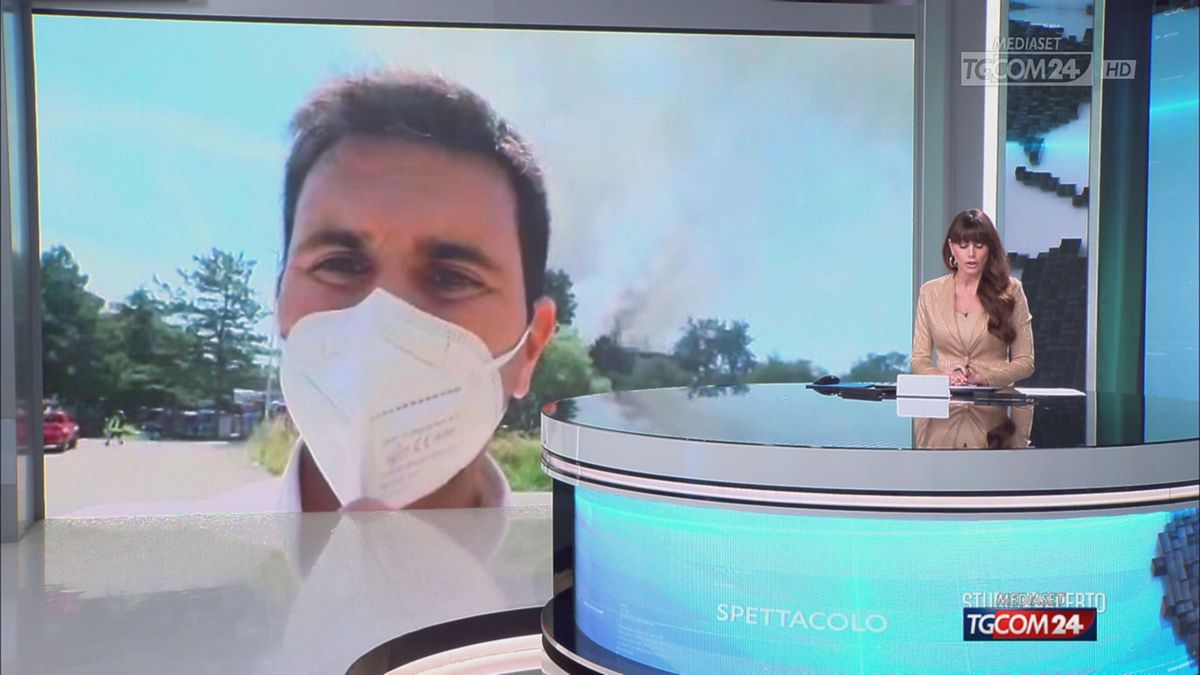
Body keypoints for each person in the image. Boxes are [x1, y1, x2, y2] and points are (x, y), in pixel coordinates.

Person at [273, 71, 558, 512]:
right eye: (339, 265)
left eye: (451, 278)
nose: (380, 324)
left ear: (532, 348)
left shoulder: (576, 556)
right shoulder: (178, 551)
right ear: (279, 303)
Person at [911, 209, 1034, 388]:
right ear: (952, 247)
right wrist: (942, 377)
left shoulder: (1011, 290)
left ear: (990, 248)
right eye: (963, 245)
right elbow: (919, 360)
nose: (971, 254)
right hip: (946, 400)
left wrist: (985, 378)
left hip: (994, 401)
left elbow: (1025, 361)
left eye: (979, 245)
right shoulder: (930, 292)